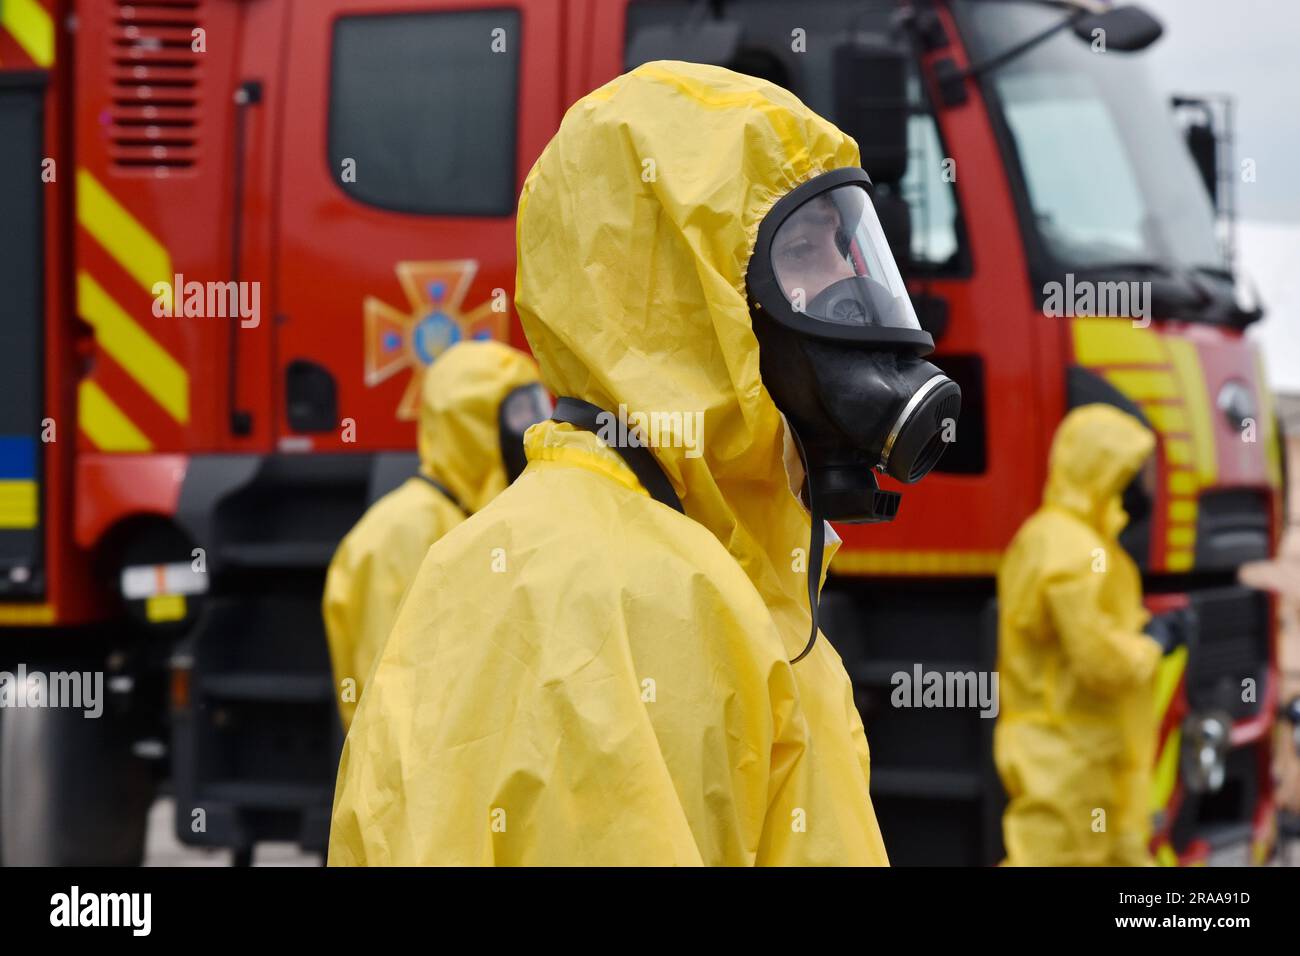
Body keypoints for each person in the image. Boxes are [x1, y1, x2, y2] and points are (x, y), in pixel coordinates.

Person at [329, 61, 958, 866]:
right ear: (681, 290)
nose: (849, 288)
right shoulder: (614, 597)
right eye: (802, 252)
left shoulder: (724, 573)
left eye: (846, 245)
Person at [995, 403, 1185, 866]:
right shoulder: (1068, 548)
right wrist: (1154, 642)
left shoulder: (1077, 541)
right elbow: (1099, 660)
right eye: (1133, 472)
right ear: (1102, 470)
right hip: (1064, 756)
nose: (1143, 487)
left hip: (1091, 753)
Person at [322, 340, 545, 730]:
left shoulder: (480, 519)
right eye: (520, 411)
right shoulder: (402, 534)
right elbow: (396, 708)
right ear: (470, 425)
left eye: (539, 407)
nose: (534, 426)